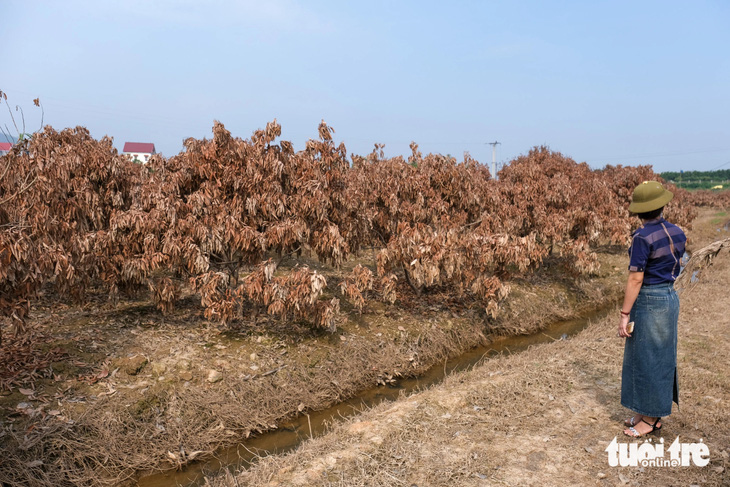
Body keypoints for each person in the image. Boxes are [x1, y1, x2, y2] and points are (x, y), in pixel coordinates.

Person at [618, 181, 686, 437]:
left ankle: (651, 419)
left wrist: (625, 314)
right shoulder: (677, 231)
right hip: (669, 297)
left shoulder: (641, 237)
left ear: (639, 211)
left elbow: (636, 278)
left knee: (650, 358)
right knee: (651, 355)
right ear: (661, 205)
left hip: (649, 300)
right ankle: (644, 410)